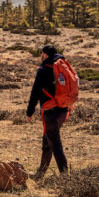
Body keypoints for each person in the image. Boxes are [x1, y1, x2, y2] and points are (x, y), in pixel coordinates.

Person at [26, 44, 69, 178]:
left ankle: (64, 174)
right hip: (63, 109)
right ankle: (41, 172)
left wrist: (29, 112)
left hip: (50, 111)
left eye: (41, 54)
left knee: (54, 141)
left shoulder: (44, 70)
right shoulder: (63, 67)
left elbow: (35, 92)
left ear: (45, 55)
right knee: (48, 140)